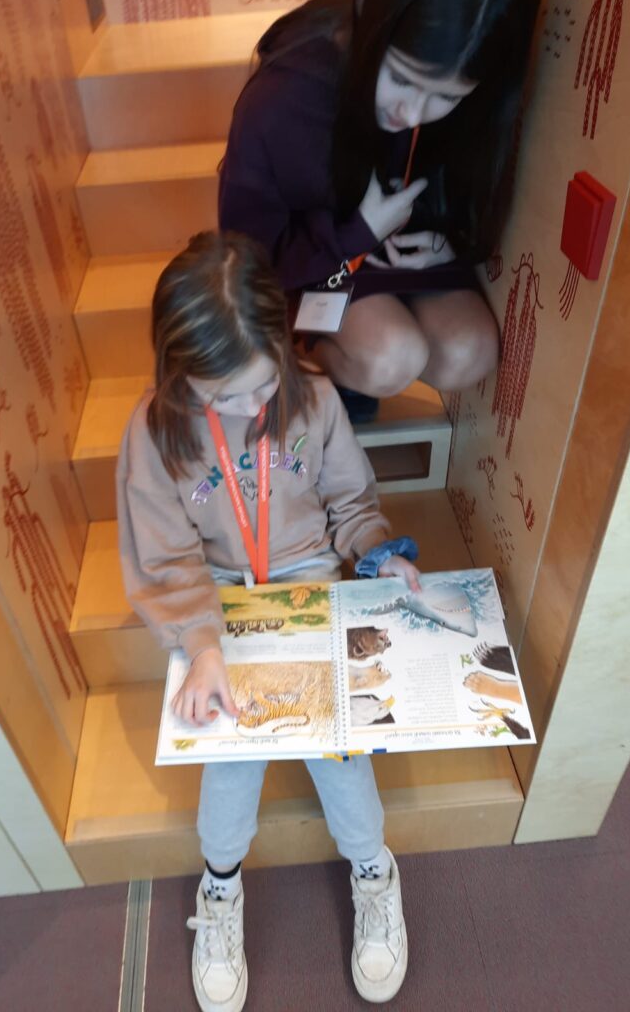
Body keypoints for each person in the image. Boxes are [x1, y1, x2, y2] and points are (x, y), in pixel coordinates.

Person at [117, 231, 423, 1011]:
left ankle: (373, 868)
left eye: (262, 385)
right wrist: (201, 645)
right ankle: (219, 886)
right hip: (217, 595)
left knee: (340, 742)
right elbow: (166, 556)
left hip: (305, 577)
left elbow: (350, 500)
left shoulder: (312, 398)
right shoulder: (154, 432)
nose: (251, 409)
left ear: (282, 348)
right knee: (231, 752)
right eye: (223, 398)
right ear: (178, 370)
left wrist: (377, 552)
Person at [218, 0, 540, 421]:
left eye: (446, 97)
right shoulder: (285, 96)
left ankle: (363, 343)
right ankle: (308, 361)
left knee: (471, 352)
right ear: (372, 19)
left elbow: (461, 189)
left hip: (399, 243)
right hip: (315, 257)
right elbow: (250, 257)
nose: (413, 114)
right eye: (403, 79)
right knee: (392, 356)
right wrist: (358, 233)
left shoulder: (478, 89)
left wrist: (449, 244)